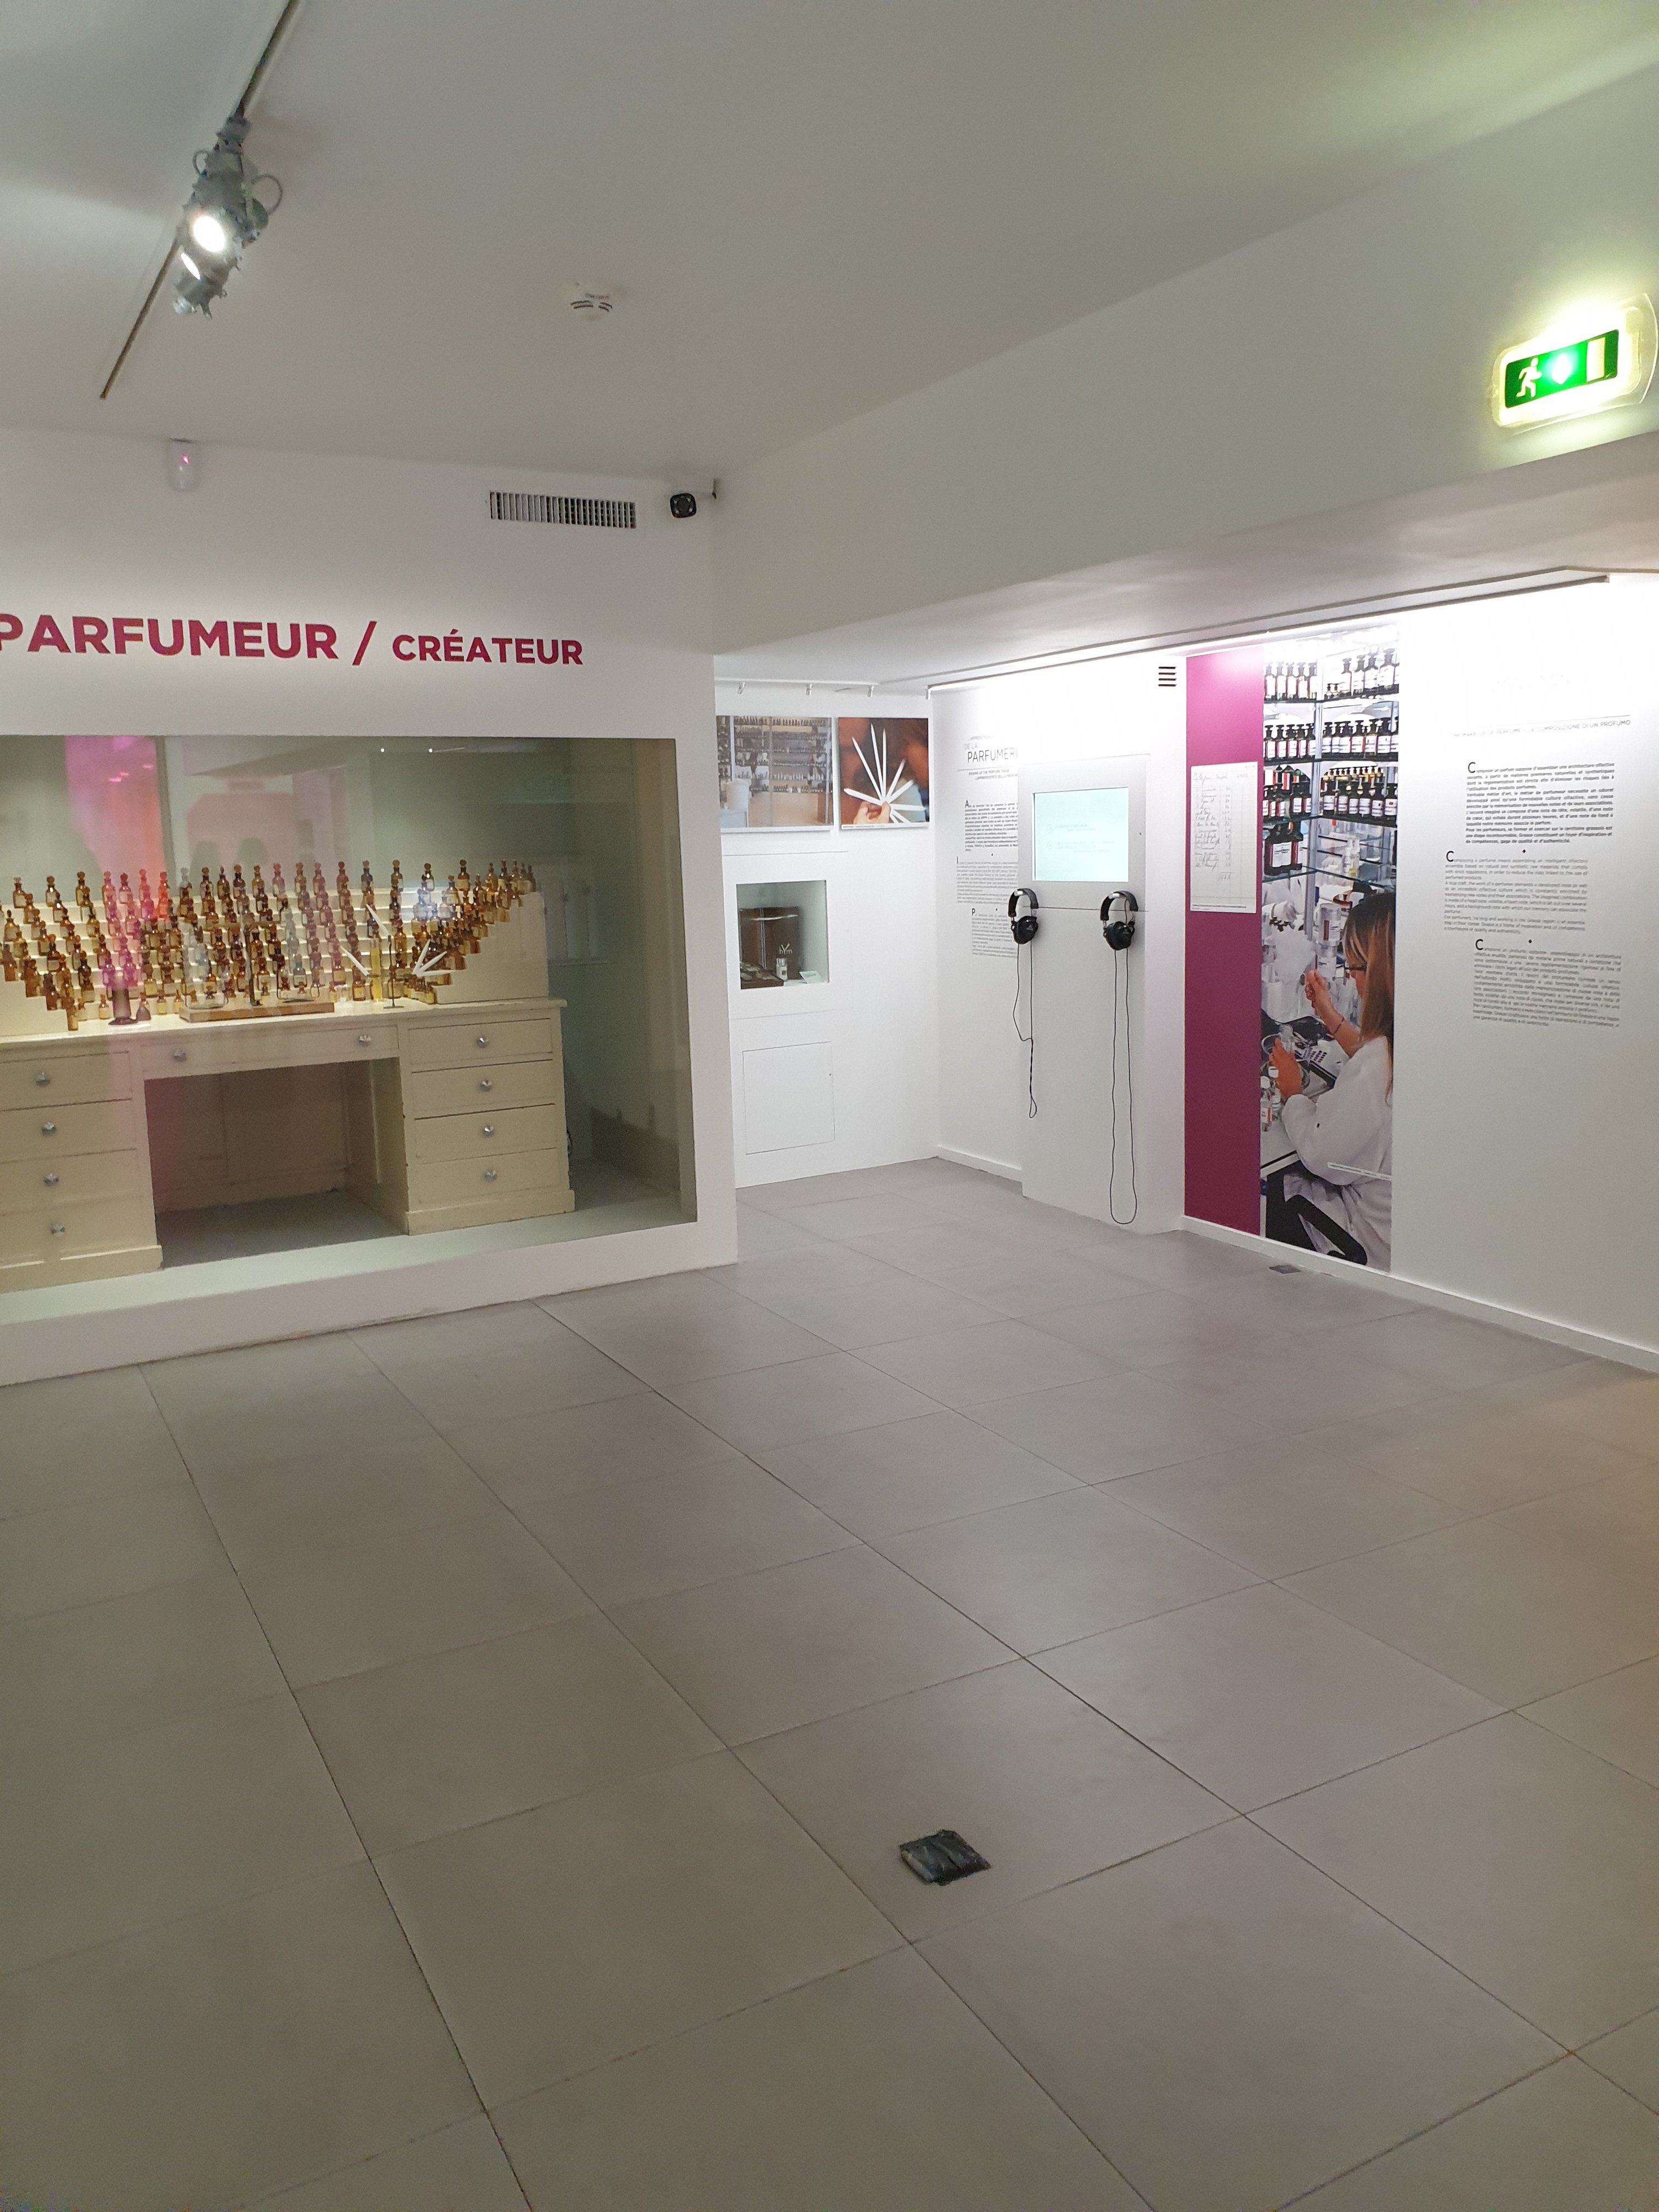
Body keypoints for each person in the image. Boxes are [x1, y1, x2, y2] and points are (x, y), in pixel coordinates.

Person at [1268, 889, 1394, 1267]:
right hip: (1410, 1228)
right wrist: (1330, 1016)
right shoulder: (1421, 1042)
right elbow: (1378, 1052)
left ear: (1380, 973)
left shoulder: (1375, 1073)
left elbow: (1321, 1156)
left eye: (1355, 967)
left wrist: (1293, 1094)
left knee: (1282, 1182)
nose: (1351, 978)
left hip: (1369, 1240)